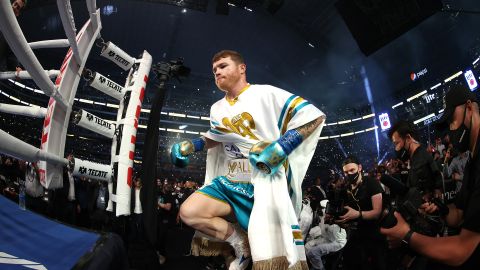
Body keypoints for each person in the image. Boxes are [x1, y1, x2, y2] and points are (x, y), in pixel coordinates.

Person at [171, 50, 325, 269]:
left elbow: (312, 115)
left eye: (223, 66)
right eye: (214, 70)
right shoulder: (217, 108)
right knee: (190, 211)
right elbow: (217, 137)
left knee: (271, 259)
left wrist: (282, 147)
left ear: (242, 68)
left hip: (264, 182)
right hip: (231, 179)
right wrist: (191, 146)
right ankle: (240, 244)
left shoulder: (266, 93)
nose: (217, 72)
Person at [381, 85, 480, 269]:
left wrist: (406, 235)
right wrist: (440, 208)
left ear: (468, 107)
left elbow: (463, 249)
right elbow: (457, 217)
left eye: (452, 119)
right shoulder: (472, 163)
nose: (451, 129)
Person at [326, 156, 386, 270]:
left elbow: (377, 212)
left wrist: (358, 214)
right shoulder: (346, 188)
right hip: (356, 234)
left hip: (373, 234)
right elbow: (347, 212)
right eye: (346, 172)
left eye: (352, 170)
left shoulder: (371, 183)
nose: (349, 174)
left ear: (359, 168)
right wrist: (337, 220)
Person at [0, 0, 26, 74]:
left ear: (18, 13)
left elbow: (11, 54)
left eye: (18, 8)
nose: (15, 7)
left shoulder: (12, 33)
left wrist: (16, 68)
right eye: (15, 4)